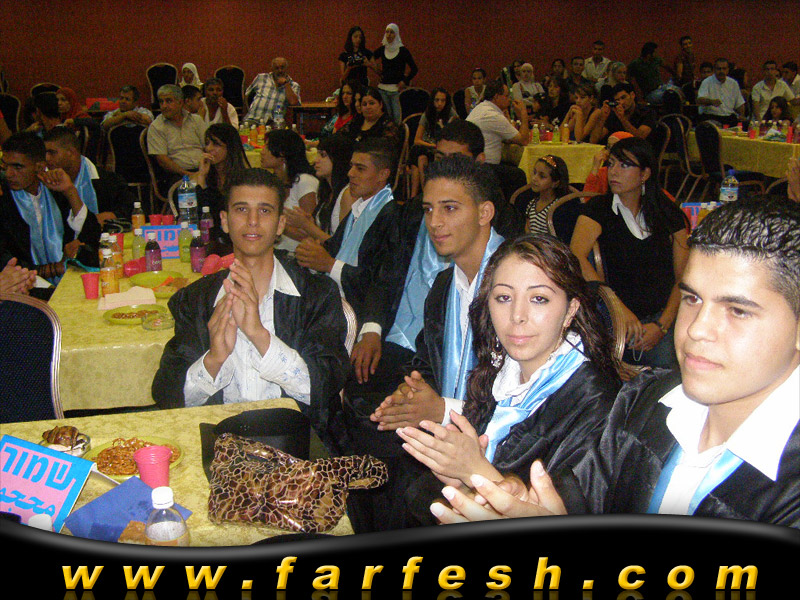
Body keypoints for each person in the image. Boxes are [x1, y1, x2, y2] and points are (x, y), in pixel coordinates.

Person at [433, 196, 800, 528]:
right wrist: (516, 496)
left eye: (737, 310)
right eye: (691, 299)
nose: (696, 329)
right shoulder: (646, 400)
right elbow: (579, 497)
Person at [399, 233, 622, 527]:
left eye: (539, 299)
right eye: (503, 297)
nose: (517, 316)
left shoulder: (598, 402)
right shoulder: (502, 369)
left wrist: (475, 471)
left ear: (571, 310)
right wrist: (462, 479)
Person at [151, 167, 350, 453]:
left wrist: (259, 335)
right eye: (242, 209)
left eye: (265, 211)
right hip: (219, 450)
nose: (253, 221)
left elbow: (323, 388)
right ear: (224, 220)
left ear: (281, 224)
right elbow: (167, 395)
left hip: (297, 450)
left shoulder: (315, 295)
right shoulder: (196, 300)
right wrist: (214, 359)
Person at [571, 137, 689, 369]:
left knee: (686, 359)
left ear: (645, 174)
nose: (613, 172)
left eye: (624, 165)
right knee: (666, 366)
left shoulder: (667, 213)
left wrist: (662, 325)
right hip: (617, 318)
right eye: (611, 164)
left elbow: (682, 278)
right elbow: (575, 256)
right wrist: (617, 307)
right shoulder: (598, 209)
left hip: (665, 316)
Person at [295, 137, 404, 339]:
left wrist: (329, 265)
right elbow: (335, 247)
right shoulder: (360, 207)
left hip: (363, 318)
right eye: (351, 166)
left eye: (360, 169)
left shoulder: (392, 218)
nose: (350, 173)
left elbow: (380, 282)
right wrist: (311, 252)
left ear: (382, 174)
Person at [0, 132, 101, 290]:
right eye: (5, 166)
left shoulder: (53, 190)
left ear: (40, 167)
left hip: (67, 280)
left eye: (17, 167)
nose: (9, 174)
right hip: (25, 289)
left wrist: (70, 191)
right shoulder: (4, 199)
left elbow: (92, 234)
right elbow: (6, 263)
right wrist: (58, 267)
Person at [43, 126, 136, 224]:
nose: (46, 158)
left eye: (52, 153)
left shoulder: (107, 181)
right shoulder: (44, 183)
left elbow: (132, 209)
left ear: (71, 152)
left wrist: (109, 217)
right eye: (45, 153)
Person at [285, 133, 355, 243]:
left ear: (338, 159)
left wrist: (306, 225)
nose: (316, 160)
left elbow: (342, 245)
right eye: (317, 154)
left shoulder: (348, 194)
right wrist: (311, 223)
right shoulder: (327, 191)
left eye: (323, 155)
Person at [260, 128, 319, 253]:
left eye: (267, 147)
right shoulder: (274, 182)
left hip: (298, 254)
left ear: (282, 154)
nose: (262, 152)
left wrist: (276, 224)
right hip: (275, 250)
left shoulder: (304, 182)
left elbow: (312, 234)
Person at [196, 122, 251, 254]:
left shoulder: (244, 179)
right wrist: (201, 176)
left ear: (230, 148)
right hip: (212, 241)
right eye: (207, 143)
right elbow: (200, 215)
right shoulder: (209, 176)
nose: (208, 148)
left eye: (216, 144)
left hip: (237, 243)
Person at [146, 84, 207, 187]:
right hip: (176, 175)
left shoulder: (196, 120)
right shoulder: (156, 127)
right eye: (161, 102)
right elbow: (162, 160)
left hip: (203, 170)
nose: (164, 106)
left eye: (169, 101)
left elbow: (208, 146)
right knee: (196, 189)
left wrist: (205, 170)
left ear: (180, 102)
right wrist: (188, 175)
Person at [466, 79, 530, 165]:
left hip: (474, 162)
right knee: (519, 172)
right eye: (506, 96)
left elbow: (509, 137)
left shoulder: (480, 108)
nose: (509, 99)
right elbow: (524, 141)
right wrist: (524, 116)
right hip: (486, 166)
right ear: (496, 97)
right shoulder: (493, 115)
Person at [409, 88, 458, 198]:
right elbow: (417, 140)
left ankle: (419, 195)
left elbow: (457, 132)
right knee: (421, 157)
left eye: (442, 100)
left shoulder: (451, 113)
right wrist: (433, 145)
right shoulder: (427, 114)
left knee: (418, 163)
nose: (439, 103)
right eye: (437, 100)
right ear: (432, 101)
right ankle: (424, 193)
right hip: (427, 147)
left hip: (442, 149)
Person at [373, 23, 418, 123]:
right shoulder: (382, 49)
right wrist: (377, 71)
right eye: (387, 32)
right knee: (386, 118)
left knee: (397, 118)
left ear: (396, 34)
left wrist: (405, 81)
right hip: (382, 89)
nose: (389, 35)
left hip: (396, 90)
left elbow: (414, 69)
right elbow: (370, 58)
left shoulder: (403, 51)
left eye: (392, 32)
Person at [524, 155, 572, 242]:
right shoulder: (531, 204)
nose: (534, 178)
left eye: (542, 176)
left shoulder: (558, 208)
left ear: (555, 183)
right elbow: (528, 234)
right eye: (534, 173)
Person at [590, 82, 656, 145]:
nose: (621, 102)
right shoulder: (614, 113)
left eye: (623, 98)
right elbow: (594, 140)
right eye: (617, 100)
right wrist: (602, 118)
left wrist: (622, 118)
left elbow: (639, 138)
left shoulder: (647, 112)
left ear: (632, 95)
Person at [243, 57, 301, 127]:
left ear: (286, 68)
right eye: (277, 68)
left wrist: (286, 84)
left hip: (275, 122)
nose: (280, 70)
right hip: (253, 119)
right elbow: (247, 95)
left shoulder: (293, 85)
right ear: (272, 69)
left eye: (282, 67)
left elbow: (293, 102)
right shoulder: (261, 78)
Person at [696, 58, 746, 127]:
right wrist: (711, 102)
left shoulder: (733, 83)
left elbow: (739, 103)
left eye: (724, 68)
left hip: (729, 117)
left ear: (728, 70)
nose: (721, 71)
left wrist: (742, 115)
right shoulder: (707, 82)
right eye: (719, 69)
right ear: (714, 70)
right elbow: (699, 100)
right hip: (711, 116)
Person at [583, 131, 635, 195]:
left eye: (614, 147)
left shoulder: (633, 172)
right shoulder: (604, 171)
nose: (609, 152)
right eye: (609, 147)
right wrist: (595, 167)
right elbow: (587, 196)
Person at [309, 81, 359, 145]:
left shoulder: (357, 117)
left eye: (349, 93)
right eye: (343, 93)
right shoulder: (342, 114)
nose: (344, 96)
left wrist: (313, 143)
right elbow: (332, 137)